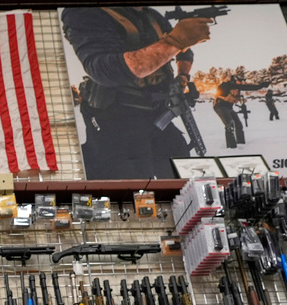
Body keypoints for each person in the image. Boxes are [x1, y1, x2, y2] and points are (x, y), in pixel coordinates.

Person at [61, 7, 212, 180]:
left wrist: (182, 76)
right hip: (115, 122)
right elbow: (105, 70)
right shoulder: (85, 12)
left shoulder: (150, 15)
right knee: (130, 189)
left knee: (180, 175)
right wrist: (175, 41)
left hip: (157, 116)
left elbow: (185, 51)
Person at [213, 75, 267, 148]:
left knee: (238, 124)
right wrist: (260, 86)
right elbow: (246, 87)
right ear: (234, 81)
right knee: (229, 124)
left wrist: (260, 86)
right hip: (220, 106)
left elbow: (245, 89)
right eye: (239, 81)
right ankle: (231, 147)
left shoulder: (237, 88)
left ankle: (241, 142)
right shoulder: (225, 85)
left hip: (229, 107)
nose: (241, 83)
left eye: (241, 81)